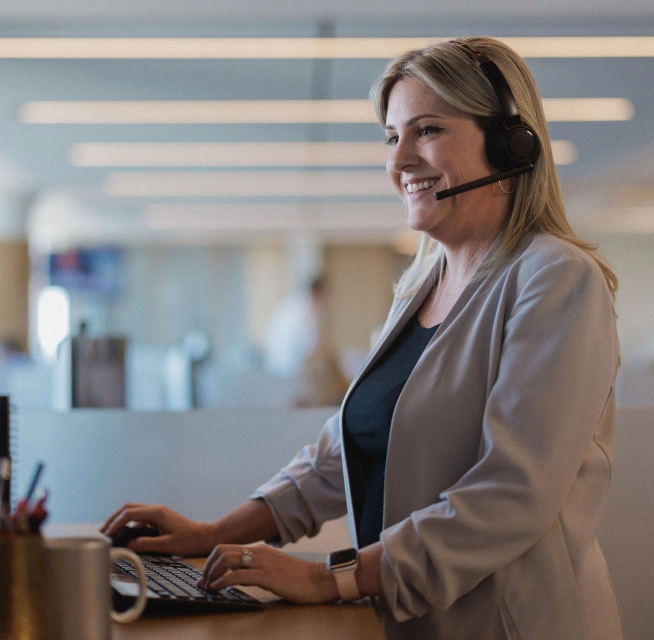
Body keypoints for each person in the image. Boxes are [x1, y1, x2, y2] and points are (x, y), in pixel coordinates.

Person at [102, 36, 624, 640]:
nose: (399, 161)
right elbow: (340, 455)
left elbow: (511, 495)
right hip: (406, 619)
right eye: (391, 137)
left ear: (512, 144)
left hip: (508, 623)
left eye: (426, 130)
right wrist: (216, 532)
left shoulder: (556, 278)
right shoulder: (422, 283)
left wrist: (330, 576)